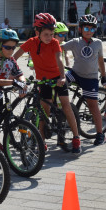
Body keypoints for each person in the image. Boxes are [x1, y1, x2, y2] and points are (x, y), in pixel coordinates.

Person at [13, 13, 82, 154]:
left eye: (52, 34)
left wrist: (62, 77)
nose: (50, 37)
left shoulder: (55, 43)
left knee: (66, 106)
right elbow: (14, 57)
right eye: (46, 34)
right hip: (43, 80)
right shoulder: (31, 42)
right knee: (44, 111)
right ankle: (42, 141)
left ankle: (76, 138)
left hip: (57, 78)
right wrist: (14, 73)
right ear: (37, 32)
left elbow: (59, 60)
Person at [61, 14, 106, 146]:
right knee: (59, 85)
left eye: (92, 29)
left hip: (90, 78)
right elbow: (59, 48)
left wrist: (103, 76)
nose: (89, 32)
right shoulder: (75, 41)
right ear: (80, 29)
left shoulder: (98, 43)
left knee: (93, 106)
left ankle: (100, 134)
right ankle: (61, 112)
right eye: (86, 29)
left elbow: (100, 60)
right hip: (75, 73)